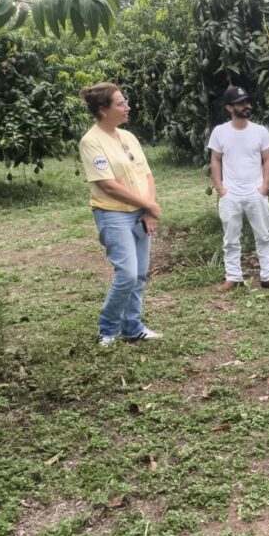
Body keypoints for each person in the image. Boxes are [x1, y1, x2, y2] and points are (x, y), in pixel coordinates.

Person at [78, 83, 163, 346]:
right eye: (121, 104)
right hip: (113, 214)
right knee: (126, 273)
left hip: (140, 212)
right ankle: (108, 328)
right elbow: (107, 185)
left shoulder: (128, 137)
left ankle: (132, 327)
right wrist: (147, 205)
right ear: (103, 110)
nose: (128, 107)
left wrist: (149, 208)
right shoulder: (91, 141)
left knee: (139, 274)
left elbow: (146, 174)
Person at [209, 85, 269, 292]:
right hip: (230, 193)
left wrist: (264, 186)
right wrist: (220, 188)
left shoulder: (260, 131)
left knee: (264, 236)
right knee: (231, 238)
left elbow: (267, 159)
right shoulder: (219, 132)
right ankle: (233, 277)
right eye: (240, 103)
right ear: (229, 108)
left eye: (246, 102)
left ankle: (268, 276)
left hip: (255, 192)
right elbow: (215, 160)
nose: (246, 106)